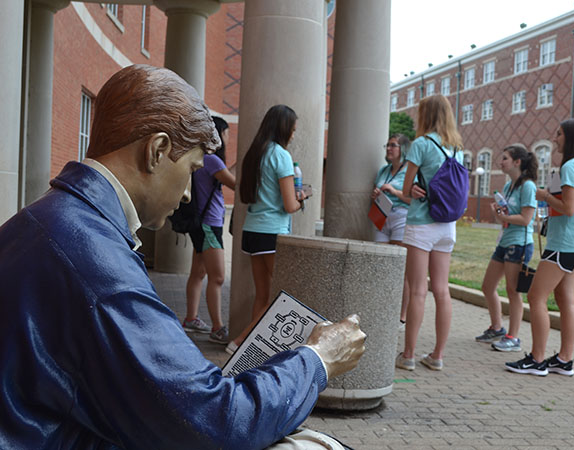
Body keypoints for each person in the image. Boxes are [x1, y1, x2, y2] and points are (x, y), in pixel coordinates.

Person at [0, 64, 366, 449]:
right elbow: (218, 425)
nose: (189, 192)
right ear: (157, 151)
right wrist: (318, 359)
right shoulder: (94, 260)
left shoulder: (45, 218)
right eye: (192, 167)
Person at [506, 118, 574, 376]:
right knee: (565, 299)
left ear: (570, 138)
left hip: (564, 244)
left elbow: (568, 207)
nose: (554, 138)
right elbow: (569, 207)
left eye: (558, 134)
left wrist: (545, 197)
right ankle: (564, 360)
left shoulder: (569, 167)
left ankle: (537, 359)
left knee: (535, 297)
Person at [229, 104, 307, 354]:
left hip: (252, 231)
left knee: (262, 296)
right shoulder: (281, 156)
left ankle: (249, 347)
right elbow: (289, 204)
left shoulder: (256, 153)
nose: (293, 135)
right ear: (284, 129)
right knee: (279, 296)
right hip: (272, 233)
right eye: (292, 130)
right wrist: (302, 198)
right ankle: (240, 342)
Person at [395, 94, 463, 372]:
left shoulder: (422, 144)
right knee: (442, 291)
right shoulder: (456, 147)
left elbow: (405, 190)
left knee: (418, 291)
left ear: (425, 115)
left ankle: (409, 355)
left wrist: (409, 191)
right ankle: (437, 355)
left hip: (422, 223)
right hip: (448, 226)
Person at [475, 144, 538, 352]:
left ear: (517, 162)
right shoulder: (510, 186)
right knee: (488, 286)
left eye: (504, 158)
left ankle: (514, 337)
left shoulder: (527, 186)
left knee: (513, 291)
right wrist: (499, 215)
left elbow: (527, 219)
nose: (500, 162)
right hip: (505, 241)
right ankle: (497, 328)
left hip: (519, 243)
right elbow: (507, 218)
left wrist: (504, 217)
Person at [183, 116, 236, 344]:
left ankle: (191, 318)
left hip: (200, 223)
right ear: (218, 134)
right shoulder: (212, 160)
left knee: (198, 273)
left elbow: (224, 174)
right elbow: (235, 184)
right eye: (226, 133)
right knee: (218, 277)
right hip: (209, 224)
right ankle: (217, 328)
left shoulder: (203, 157)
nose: (227, 137)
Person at [371, 133, 412, 326]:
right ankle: (381, 308)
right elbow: (375, 190)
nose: (388, 149)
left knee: (399, 267)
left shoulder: (409, 171)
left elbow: (413, 199)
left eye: (393, 145)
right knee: (382, 264)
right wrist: (377, 193)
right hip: (381, 216)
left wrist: (394, 191)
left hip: (400, 216)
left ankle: (401, 315)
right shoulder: (383, 170)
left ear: (403, 149)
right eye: (387, 145)